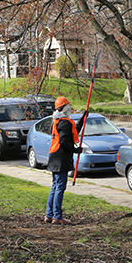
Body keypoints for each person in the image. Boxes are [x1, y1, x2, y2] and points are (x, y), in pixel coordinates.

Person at [44, 96, 87, 225]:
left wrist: (82, 119)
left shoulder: (58, 120)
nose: (71, 108)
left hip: (54, 156)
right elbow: (64, 141)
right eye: (69, 106)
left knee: (55, 186)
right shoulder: (64, 122)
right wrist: (76, 150)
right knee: (59, 187)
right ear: (65, 108)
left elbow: (72, 132)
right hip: (61, 158)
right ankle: (57, 216)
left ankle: (49, 215)